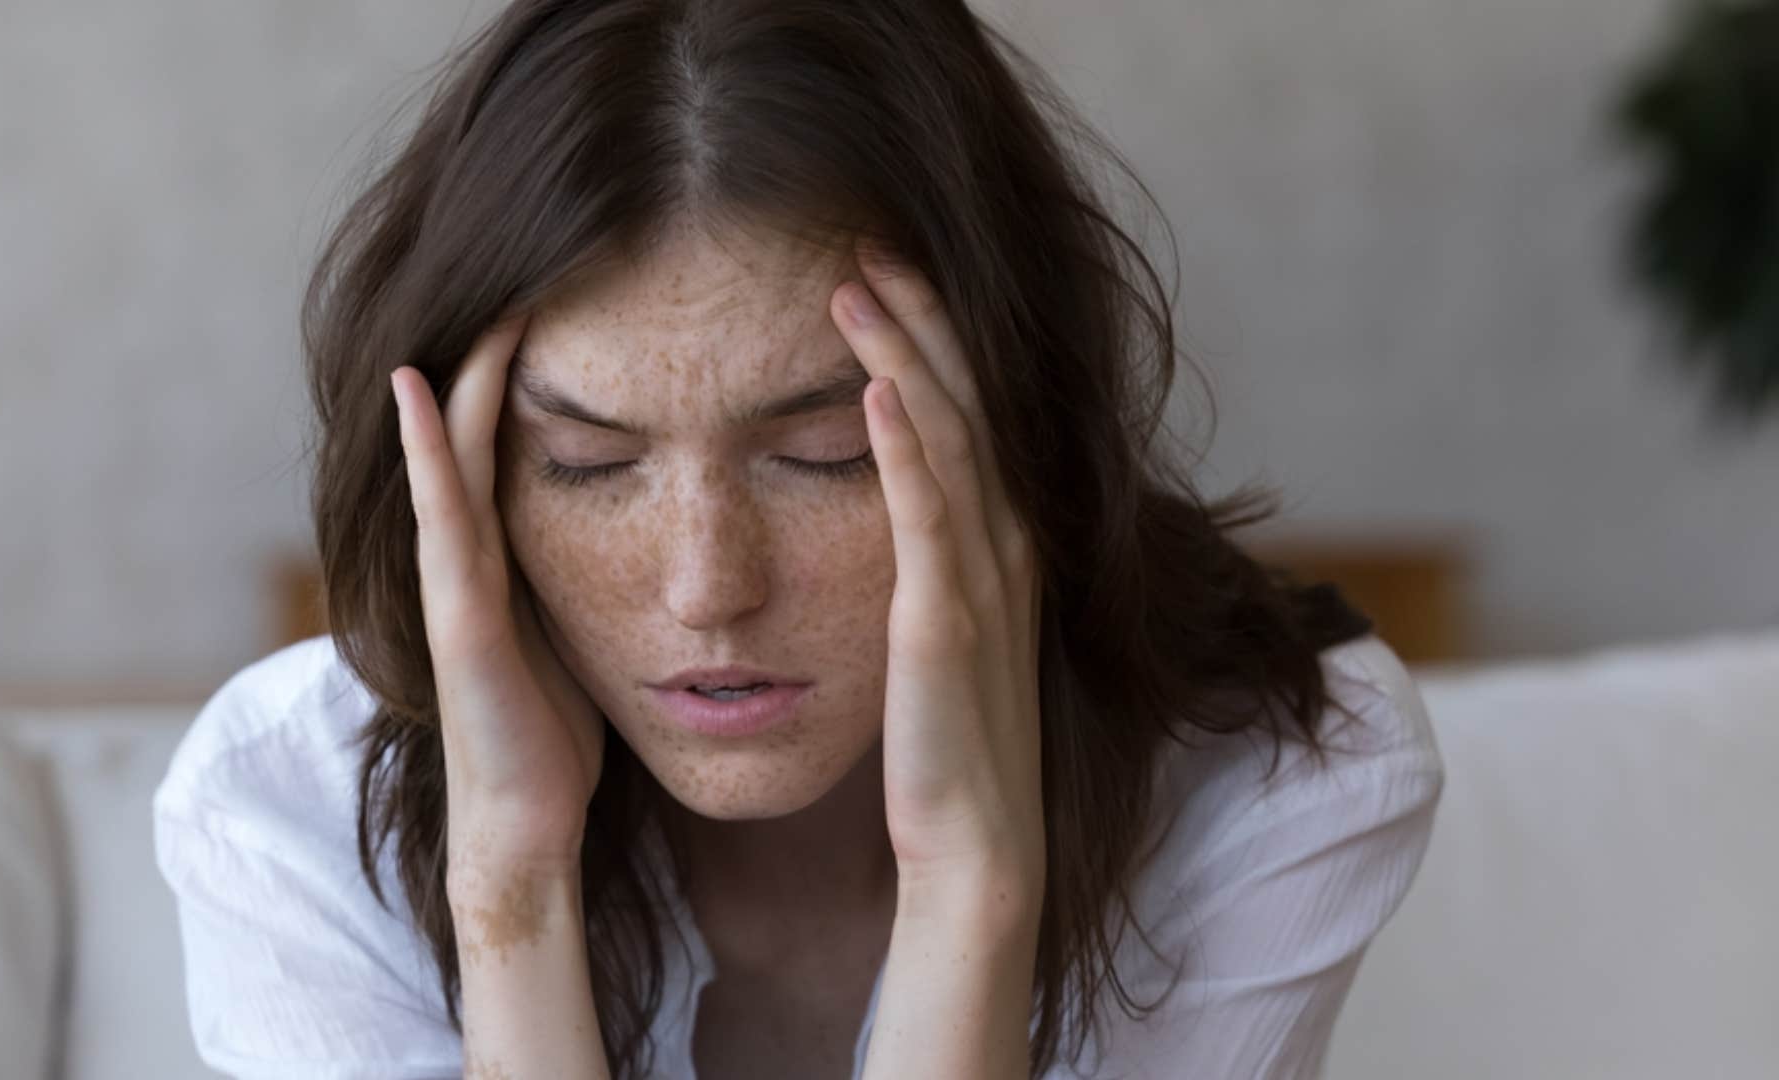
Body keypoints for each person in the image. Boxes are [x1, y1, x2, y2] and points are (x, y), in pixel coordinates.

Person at [153, 2, 1446, 1078]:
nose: (708, 586)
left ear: (1016, 427)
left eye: (826, 458)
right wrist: (514, 893)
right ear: (465, 479)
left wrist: (971, 889)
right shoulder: (288, 811)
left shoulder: (1278, 772)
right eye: (589, 465)